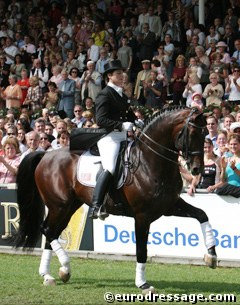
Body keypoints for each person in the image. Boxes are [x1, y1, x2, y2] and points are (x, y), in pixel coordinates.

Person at [88, 60, 136, 220]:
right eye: (118, 74)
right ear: (109, 76)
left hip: (124, 136)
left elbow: (128, 115)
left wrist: (138, 121)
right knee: (110, 168)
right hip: (109, 137)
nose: (122, 76)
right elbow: (101, 119)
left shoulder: (121, 94)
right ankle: (96, 206)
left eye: (122, 73)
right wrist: (122, 125)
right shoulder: (104, 94)